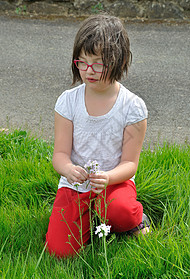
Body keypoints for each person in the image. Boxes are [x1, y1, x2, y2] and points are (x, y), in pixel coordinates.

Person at [46, 14, 150, 258]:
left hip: (114, 183)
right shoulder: (68, 102)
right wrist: (69, 169)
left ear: (119, 61)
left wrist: (108, 177)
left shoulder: (133, 107)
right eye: (81, 62)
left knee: (120, 212)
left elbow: (130, 164)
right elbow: (60, 155)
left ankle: (135, 218)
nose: (88, 71)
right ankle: (87, 214)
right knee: (60, 251)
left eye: (98, 64)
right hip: (76, 185)